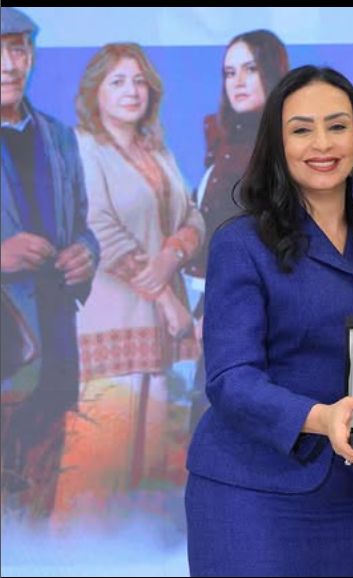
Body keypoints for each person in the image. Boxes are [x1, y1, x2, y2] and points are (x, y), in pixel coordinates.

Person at [184, 65, 353, 577]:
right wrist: (322, 419)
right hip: (250, 492)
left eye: (337, 126)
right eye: (301, 129)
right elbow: (230, 379)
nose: (322, 143)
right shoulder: (241, 244)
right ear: (278, 143)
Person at [52, 42, 204, 523]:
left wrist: (173, 252)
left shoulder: (156, 148)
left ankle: (135, 551)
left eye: (139, 81)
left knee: (151, 463)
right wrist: (168, 301)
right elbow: (98, 227)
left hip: (159, 337)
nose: (131, 90)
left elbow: (193, 216)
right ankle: (74, 552)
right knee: (97, 461)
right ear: (94, 91)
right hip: (109, 325)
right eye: (117, 81)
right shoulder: (81, 147)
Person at [0, 7, 99, 519]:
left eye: (18, 49)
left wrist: (87, 253)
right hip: (6, 345)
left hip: (56, 343)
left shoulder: (59, 136)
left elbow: (82, 224)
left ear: (32, 56)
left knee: (38, 499)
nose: (8, 64)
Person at [185, 29, 289, 431]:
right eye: (229, 72)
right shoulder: (225, 142)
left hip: (263, 324)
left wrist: (215, 311)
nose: (238, 82)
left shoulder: (286, 147)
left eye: (250, 69)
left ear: (272, 70)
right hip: (219, 314)